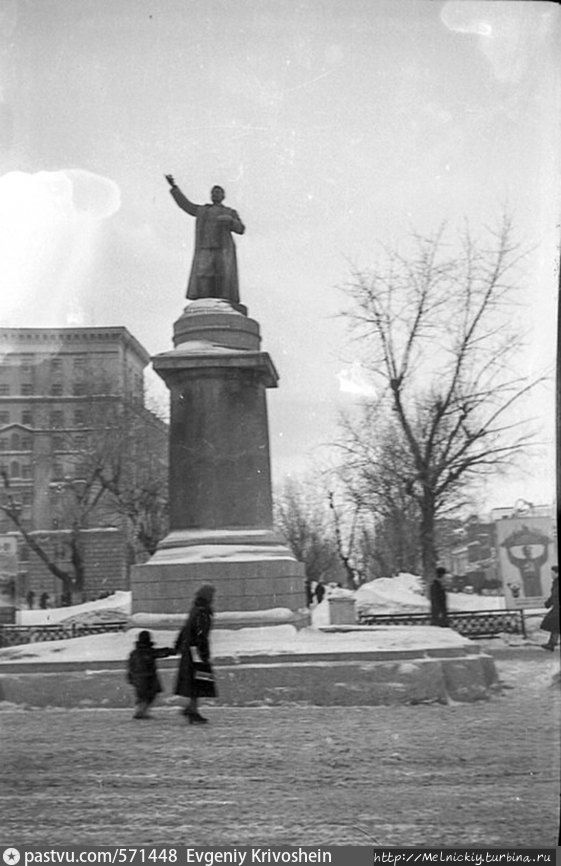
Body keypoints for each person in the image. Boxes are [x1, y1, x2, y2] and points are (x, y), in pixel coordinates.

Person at [165, 175, 245, 304]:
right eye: (213, 192)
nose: (215, 194)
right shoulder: (203, 210)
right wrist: (174, 188)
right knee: (204, 275)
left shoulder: (230, 211)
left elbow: (241, 229)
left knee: (222, 275)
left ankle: (221, 302)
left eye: (218, 192)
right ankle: (204, 302)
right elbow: (186, 205)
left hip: (222, 248)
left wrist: (230, 221)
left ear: (223, 196)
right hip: (205, 248)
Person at [174, 584, 216, 724]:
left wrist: (179, 645)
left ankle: (192, 708)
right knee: (199, 681)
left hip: (190, 651)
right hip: (196, 652)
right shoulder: (203, 612)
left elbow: (186, 628)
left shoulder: (195, 610)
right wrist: (203, 653)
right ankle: (192, 710)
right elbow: (201, 635)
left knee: (196, 681)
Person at [127, 630, 173, 720]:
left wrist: (130, 677)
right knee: (149, 695)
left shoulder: (134, 653)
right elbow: (160, 653)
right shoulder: (149, 651)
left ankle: (140, 711)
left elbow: (130, 666)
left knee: (141, 695)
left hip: (137, 677)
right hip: (148, 677)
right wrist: (171, 651)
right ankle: (141, 712)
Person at [540, 566, 559, 651]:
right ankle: (551, 644)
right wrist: (548, 603)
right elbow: (553, 596)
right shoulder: (555, 583)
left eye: (552, 573)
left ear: (556, 573)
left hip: (558, 608)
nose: (551, 575)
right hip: (556, 608)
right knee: (555, 625)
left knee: (555, 624)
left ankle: (551, 643)